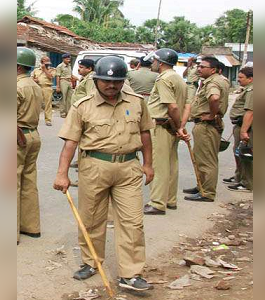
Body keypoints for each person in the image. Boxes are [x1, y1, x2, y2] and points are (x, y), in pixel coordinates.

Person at [53, 56, 154, 291]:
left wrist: (148, 164)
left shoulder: (137, 103)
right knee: (91, 219)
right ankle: (91, 262)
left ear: (123, 81)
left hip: (129, 167)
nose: (112, 86)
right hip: (94, 167)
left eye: (117, 82)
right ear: (96, 80)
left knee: (133, 222)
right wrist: (62, 174)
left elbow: (146, 134)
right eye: (107, 82)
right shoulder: (83, 106)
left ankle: (131, 274)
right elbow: (70, 143)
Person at [143, 48, 188, 215]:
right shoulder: (178, 78)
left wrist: (177, 126)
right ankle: (170, 199)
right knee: (171, 163)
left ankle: (157, 203)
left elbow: (172, 106)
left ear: (160, 63)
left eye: (154, 61)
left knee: (159, 165)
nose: (152, 64)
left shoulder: (164, 79)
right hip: (171, 126)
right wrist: (179, 127)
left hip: (162, 125)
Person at [183, 56, 230, 202]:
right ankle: (202, 186)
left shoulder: (213, 82)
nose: (199, 69)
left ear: (213, 69)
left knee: (206, 160)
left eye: (202, 67)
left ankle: (207, 192)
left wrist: (211, 115)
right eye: (198, 66)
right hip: (206, 125)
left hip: (207, 126)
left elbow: (214, 98)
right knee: (202, 157)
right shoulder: (220, 79)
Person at [17, 47, 43, 244]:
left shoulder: (15, 86)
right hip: (33, 134)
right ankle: (30, 226)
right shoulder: (35, 85)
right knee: (28, 181)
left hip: (17, 136)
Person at [224, 67, 253, 192]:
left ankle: (247, 182)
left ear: (250, 78)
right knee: (238, 152)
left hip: (247, 127)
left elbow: (251, 112)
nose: (238, 80)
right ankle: (240, 176)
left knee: (245, 154)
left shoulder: (252, 91)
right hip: (241, 125)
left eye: (241, 77)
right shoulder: (247, 89)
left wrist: (244, 131)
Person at [31, 56, 56, 126]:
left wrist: (45, 69)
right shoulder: (36, 70)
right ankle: (34, 119)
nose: (47, 64)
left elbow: (51, 77)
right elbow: (31, 78)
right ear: (41, 62)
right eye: (45, 62)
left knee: (47, 104)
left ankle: (48, 120)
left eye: (48, 62)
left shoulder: (52, 69)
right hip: (37, 87)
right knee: (36, 104)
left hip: (47, 88)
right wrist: (34, 80)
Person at [56, 53, 74, 118]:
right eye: (67, 59)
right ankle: (62, 113)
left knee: (70, 98)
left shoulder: (69, 66)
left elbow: (71, 75)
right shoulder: (60, 66)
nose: (68, 60)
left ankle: (68, 112)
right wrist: (58, 86)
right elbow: (58, 76)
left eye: (69, 59)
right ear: (63, 59)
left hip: (69, 82)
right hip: (63, 81)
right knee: (63, 97)